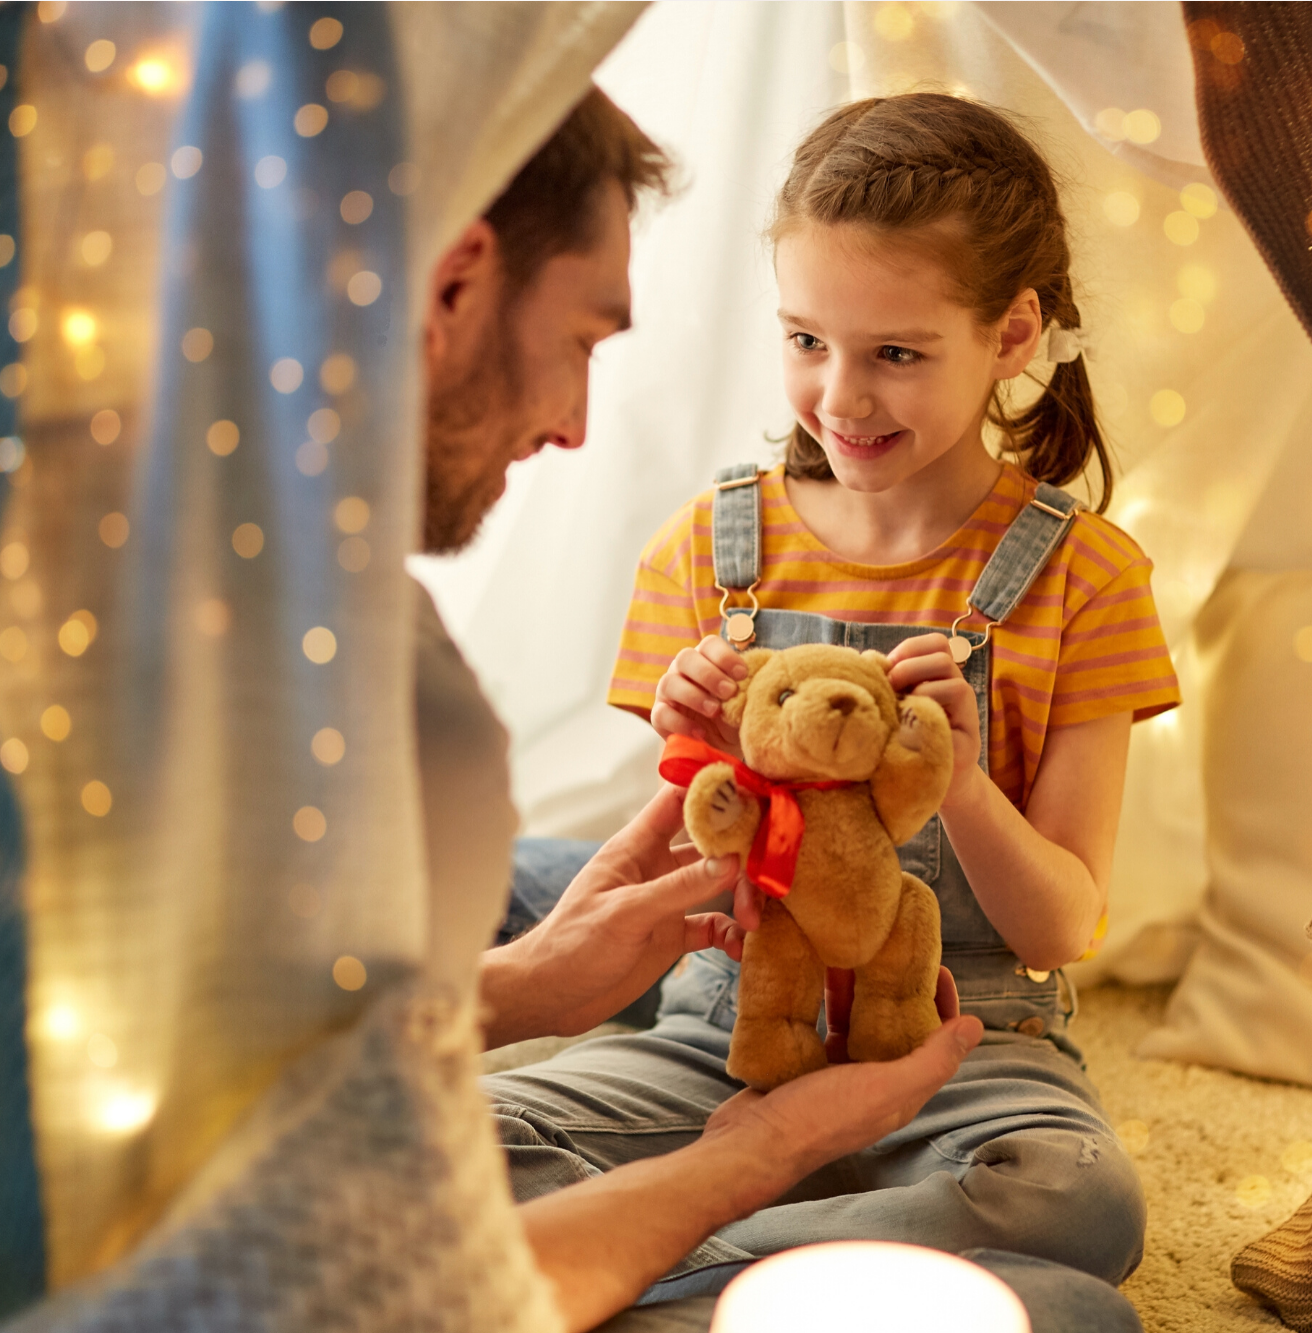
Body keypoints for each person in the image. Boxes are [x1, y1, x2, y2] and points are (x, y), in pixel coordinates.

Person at [414, 87, 1110, 1333]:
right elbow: (692, 852)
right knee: (452, 1143)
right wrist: (692, 741)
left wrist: (959, 784)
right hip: (728, 1026)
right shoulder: (712, 545)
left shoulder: (1082, 573)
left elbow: (1060, 923)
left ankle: (654, 1262)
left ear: (1010, 334)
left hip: (965, 1042)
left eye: (895, 352)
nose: (838, 396)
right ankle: (787, 1278)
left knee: (1073, 1204)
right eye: (804, 340)